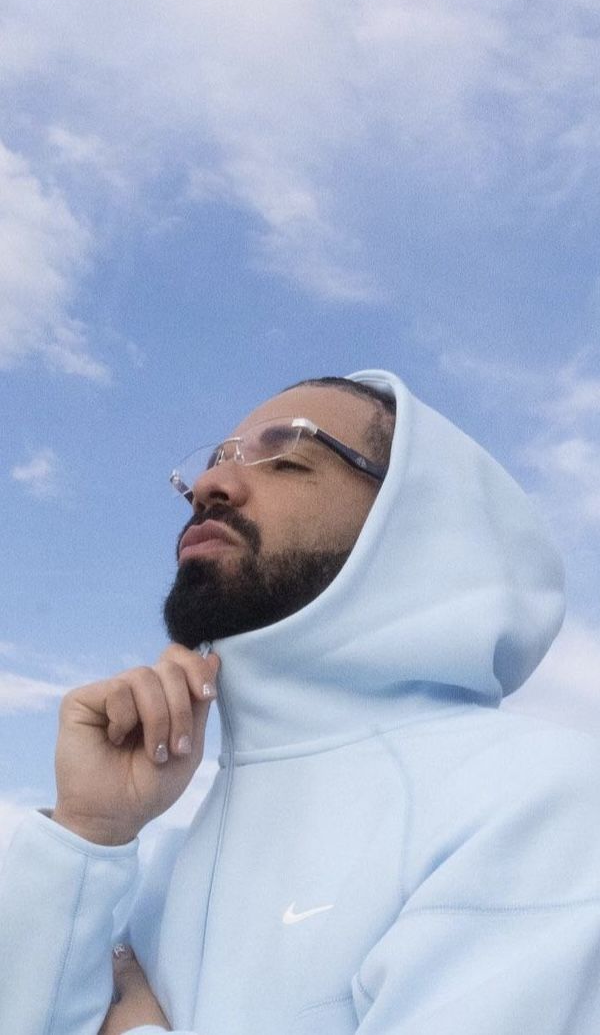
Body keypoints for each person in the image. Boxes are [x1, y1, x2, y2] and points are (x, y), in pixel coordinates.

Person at [1, 367, 600, 1035]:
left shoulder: (539, 802)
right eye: (207, 467)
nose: (207, 486)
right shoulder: (151, 865)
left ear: (413, 517)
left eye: (285, 457)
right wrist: (88, 833)